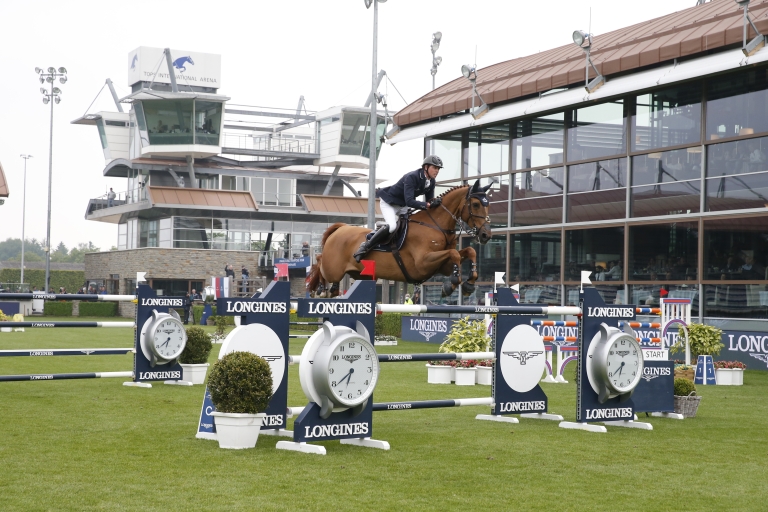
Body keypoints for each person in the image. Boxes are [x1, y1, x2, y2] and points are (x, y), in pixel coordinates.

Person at [354, 155, 444, 263]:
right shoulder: (412, 177)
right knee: (392, 227)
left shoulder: (431, 182)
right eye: (434, 168)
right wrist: (428, 205)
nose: (437, 171)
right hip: (390, 204)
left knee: (410, 227)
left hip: (403, 206)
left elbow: (429, 201)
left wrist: (434, 202)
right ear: (426, 167)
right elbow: (410, 201)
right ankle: (365, 246)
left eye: (438, 169)